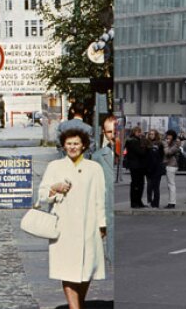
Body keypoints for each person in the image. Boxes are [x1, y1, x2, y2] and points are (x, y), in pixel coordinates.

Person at [39, 128, 106, 309]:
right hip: (64, 226)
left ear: (83, 145)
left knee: (86, 269)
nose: (72, 147)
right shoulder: (55, 167)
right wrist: (54, 188)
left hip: (88, 225)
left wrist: (102, 224)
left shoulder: (94, 168)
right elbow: (42, 195)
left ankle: (79, 303)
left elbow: (100, 198)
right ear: (63, 146)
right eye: (69, 144)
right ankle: (74, 307)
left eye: (76, 143)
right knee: (66, 269)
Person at [91, 115, 116, 266]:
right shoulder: (98, 156)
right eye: (109, 132)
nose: (113, 135)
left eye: (115, 131)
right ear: (104, 133)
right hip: (109, 212)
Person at [124, 126, 147, 208]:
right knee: (137, 184)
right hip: (136, 165)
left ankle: (137, 202)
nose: (140, 133)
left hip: (135, 165)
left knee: (138, 184)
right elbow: (141, 152)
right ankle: (135, 202)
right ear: (134, 132)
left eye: (140, 132)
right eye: (138, 132)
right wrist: (144, 145)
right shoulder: (134, 141)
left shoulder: (133, 140)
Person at [144, 129, 165, 208]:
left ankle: (156, 203)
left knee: (156, 187)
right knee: (149, 186)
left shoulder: (159, 144)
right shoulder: (146, 144)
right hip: (148, 169)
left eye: (153, 134)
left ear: (156, 135)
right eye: (150, 134)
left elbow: (161, 156)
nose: (151, 135)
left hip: (157, 169)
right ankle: (149, 201)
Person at [162, 129, 181, 209]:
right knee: (170, 184)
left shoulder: (176, 144)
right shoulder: (172, 143)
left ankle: (172, 202)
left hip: (172, 165)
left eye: (169, 135)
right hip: (170, 164)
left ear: (172, 136)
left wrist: (166, 145)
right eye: (167, 135)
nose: (167, 137)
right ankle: (171, 201)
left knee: (171, 184)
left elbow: (168, 152)